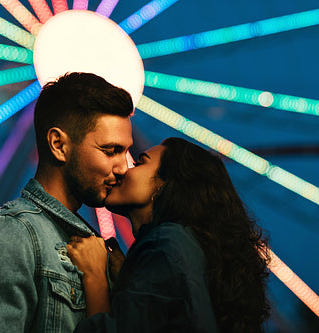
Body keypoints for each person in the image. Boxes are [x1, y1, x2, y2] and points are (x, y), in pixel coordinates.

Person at [0, 72, 134, 333]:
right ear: (58, 144)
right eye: (110, 151)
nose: (123, 167)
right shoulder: (9, 238)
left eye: (126, 151)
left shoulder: (101, 252)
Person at [67, 137, 271, 333]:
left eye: (138, 164)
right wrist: (126, 278)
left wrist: (95, 278)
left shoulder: (165, 245)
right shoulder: (182, 247)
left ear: (163, 184)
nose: (123, 170)